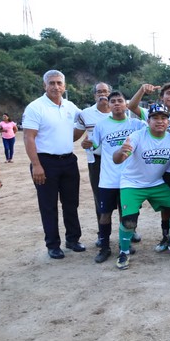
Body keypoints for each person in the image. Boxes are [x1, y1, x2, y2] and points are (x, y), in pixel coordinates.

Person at [112, 103, 170, 270]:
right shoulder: (137, 136)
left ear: (168, 122)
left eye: (163, 118)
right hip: (132, 183)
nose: (160, 121)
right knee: (129, 221)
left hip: (155, 183)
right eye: (155, 118)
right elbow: (118, 159)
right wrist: (121, 152)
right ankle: (124, 252)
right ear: (148, 121)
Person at [22, 69, 84, 259]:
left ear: (64, 86)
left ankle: (73, 239)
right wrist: (36, 165)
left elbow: (84, 121)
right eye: (51, 83)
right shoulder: (35, 107)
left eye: (59, 83)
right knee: (48, 206)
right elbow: (29, 137)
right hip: (45, 162)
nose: (55, 87)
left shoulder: (70, 106)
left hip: (68, 161)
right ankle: (53, 245)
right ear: (45, 85)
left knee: (71, 203)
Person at [128, 82, 170, 253]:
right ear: (161, 97)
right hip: (163, 168)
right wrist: (142, 90)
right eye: (168, 93)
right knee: (166, 207)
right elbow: (131, 106)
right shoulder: (153, 112)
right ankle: (165, 236)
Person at [90, 91, 146, 263]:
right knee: (104, 214)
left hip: (129, 179)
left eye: (120, 101)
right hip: (108, 179)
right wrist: (87, 143)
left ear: (126, 104)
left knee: (126, 214)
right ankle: (104, 247)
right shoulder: (101, 125)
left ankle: (125, 244)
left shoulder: (136, 124)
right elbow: (93, 145)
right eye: (112, 101)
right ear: (108, 105)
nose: (116, 104)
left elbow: (156, 128)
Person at [74, 82, 115, 246]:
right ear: (94, 95)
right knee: (100, 197)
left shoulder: (119, 111)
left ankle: (129, 231)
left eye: (105, 91)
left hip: (119, 160)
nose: (102, 94)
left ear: (111, 93)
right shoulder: (86, 114)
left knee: (123, 195)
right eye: (99, 92)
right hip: (96, 161)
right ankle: (102, 234)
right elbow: (75, 136)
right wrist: (83, 143)